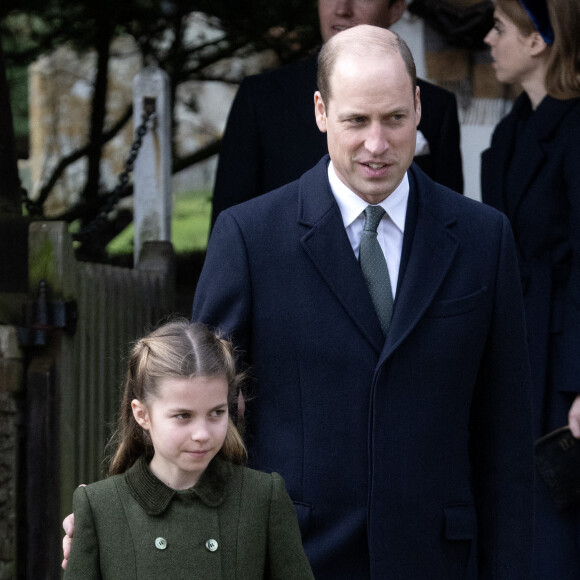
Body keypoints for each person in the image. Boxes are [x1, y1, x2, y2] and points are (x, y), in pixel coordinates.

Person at [192, 24, 533, 579]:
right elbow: (197, 413)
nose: (377, 144)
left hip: (440, 559)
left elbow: (505, 437)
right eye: (356, 121)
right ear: (322, 111)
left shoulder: (483, 239)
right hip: (294, 557)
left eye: (395, 118)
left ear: (419, 107)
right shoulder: (250, 238)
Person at [62, 319, 314, 579]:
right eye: (183, 416)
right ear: (142, 414)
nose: (202, 434)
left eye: (217, 412)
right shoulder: (100, 506)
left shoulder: (262, 498)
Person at [210, 0, 464, 229]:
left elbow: (450, 223)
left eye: (395, 117)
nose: (342, 9)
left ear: (396, 8)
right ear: (320, 109)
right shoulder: (261, 97)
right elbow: (229, 223)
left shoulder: (436, 106)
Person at [481, 0, 580, 577]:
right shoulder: (511, 130)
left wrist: (578, 383)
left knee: (557, 523)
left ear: (538, 40)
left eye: (500, 28)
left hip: (561, 364)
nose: (489, 40)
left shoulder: (574, 130)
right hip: (518, 349)